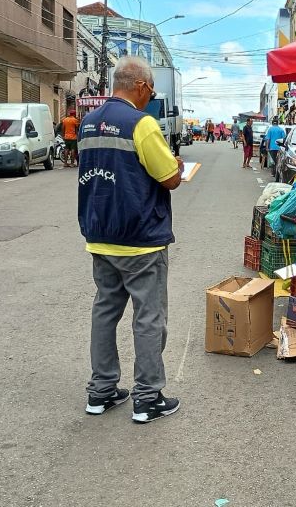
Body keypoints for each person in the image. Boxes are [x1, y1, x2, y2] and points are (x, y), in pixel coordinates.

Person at [78, 56, 184, 424]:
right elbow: (168, 177)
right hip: (141, 239)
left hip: (100, 235)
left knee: (105, 313)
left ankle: (102, 391)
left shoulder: (88, 123)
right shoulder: (142, 124)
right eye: (151, 91)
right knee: (149, 317)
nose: (150, 97)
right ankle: (148, 397)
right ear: (140, 87)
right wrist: (177, 167)